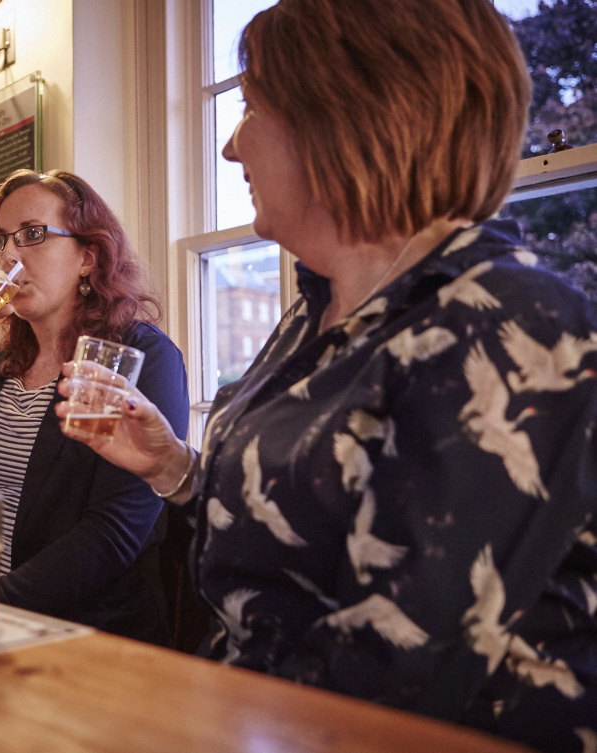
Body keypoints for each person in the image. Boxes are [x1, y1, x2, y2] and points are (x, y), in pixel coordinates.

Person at [54, 1, 597, 750]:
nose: (230, 148)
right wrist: (174, 469)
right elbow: (288, 542)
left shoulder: (509, 321)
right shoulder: (315, 312)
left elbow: (397, 667)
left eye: (249, 107)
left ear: (345, 115)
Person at [0, 169, 189, 645]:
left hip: (90, 639)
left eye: (33, 235)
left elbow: (115, 531)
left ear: (88, 258)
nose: (8, 255)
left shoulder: (140, 355)